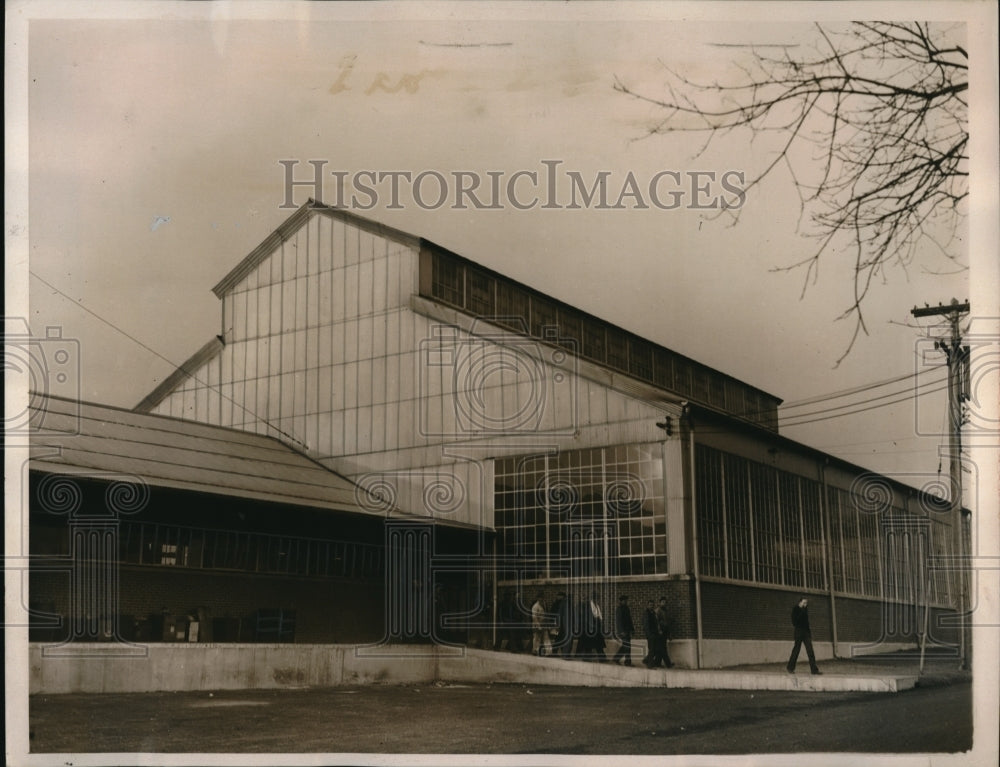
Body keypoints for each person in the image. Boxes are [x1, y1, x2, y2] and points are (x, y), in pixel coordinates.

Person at [787, 597, 821, 675]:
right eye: (804, 603)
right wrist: (802, 611)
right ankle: (790, 667)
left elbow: (806, 623)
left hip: (806, 633)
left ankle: (814, 670)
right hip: (798, 632)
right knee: (796, 650)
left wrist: (809, 633)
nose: (805, 604)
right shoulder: (795, 609)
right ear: (800, 602)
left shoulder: (805, 610)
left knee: (810, 650)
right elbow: (794, 622)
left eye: (806, 603)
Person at [651, 596, 675, 668]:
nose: (664, 603)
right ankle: (668, 664)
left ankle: (656, 663)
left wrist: (669, 634)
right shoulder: (657, 611)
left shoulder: (666, 611)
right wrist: (659, 630)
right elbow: (656, 623)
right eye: (662, 602)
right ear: (659, 603)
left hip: (664, 632)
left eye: (665, 602)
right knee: (663, 649)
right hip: (659, 633)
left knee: (660, 648)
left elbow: (667, 623)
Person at [613, 594, 635, 666]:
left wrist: (632, 629)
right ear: (621, 601)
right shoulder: (619, 609)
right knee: (627, 646)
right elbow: (619, 621)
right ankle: (628, 662)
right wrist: (621, 631)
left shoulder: (627, 608)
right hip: (623, 631)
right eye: (624, 600)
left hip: (627, 630)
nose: (626, 602)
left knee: (625, 646)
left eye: (626, 600)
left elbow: (629, 620)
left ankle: (616, 658)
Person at [550, 592, 571, 657]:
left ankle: (558, 652)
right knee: (558, 638)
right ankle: (555, 652)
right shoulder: (557, 604)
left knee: (559, 638)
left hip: (560, 625)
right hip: (558, 624)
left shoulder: (561, 603)